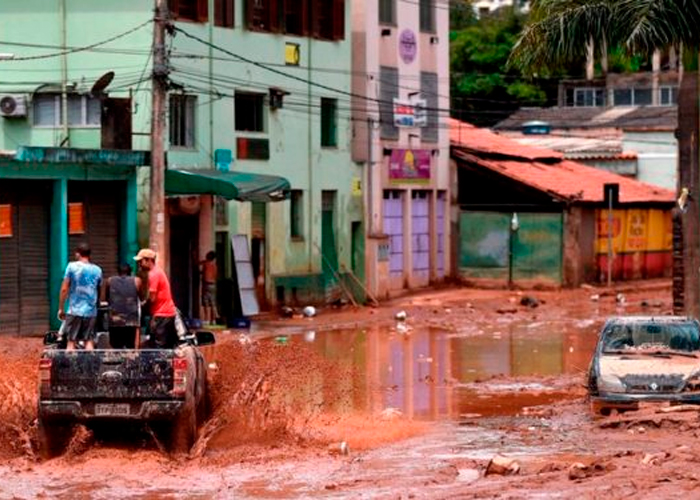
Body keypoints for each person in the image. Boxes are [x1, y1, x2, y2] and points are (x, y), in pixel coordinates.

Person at [58, 243, 103, 351]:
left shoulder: (71, 266)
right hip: (91, 312)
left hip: (74, 310)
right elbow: (99, 290)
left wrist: (61, 308)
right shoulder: (98, 270)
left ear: (78, 254)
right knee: (89, 342)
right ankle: (90, 367)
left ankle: (71, 367)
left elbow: (64, 289)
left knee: (71, 342)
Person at [134, 248, 178, 348]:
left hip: (161, 315)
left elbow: (152, 298)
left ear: (149, 260)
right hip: (166, 314)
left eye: (141, 261)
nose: (139, 264)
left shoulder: (153, 274)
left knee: (158, 348)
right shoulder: (158, 272)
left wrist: (142, 305)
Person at [106, 263, 142, 349]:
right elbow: (141, 296)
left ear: (118, 272)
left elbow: (107, 297)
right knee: (130, 346)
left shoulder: (110, 280)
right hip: (131, 319)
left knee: (116, 346)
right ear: (130, 271)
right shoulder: (137, 281)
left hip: (115, 319)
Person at [200, 251, 218, 325]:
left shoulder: (206, 264)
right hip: (213, 285)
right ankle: (213, 320)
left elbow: (197, 263)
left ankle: (206, 320)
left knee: (206, 303)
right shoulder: (215, 266)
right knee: (213, 303)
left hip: (206, 284)